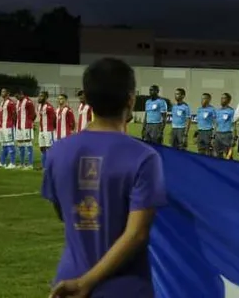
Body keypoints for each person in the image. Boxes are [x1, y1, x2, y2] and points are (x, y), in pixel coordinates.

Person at [43, 57, 166, 298]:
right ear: (130, 100)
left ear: (86, 99)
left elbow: (64, 213)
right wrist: (88, 282)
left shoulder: (58, 151)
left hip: (68, 279)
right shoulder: (145, 157)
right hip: (124, 287)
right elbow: (137, 234)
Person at [14, 89, 37, 170]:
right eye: (15, 96)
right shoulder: (17, 102)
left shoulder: (28, 102)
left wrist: (30, 122)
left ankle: (30, 164)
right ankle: (22, 163)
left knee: (28, 143)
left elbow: (34, 114)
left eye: (17, 96)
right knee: (20, 144)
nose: (16, 98)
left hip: (26, 126)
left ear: (21, 93)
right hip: (19, 126)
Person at [38, 90, 57, 168]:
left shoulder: (49, 107)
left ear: (46, 97)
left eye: (41, 96)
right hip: (41, 131)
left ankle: (51, 165)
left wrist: (52, 129)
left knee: (49, 148)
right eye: (39, 96)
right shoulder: (39, 106)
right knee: (42, 148)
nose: (39, 97)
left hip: (48, 130)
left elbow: (54, 118)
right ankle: (43, 165)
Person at [0, 88, 17, 168]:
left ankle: (12, 163)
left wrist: (13, 125)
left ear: (8, 93)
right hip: (2, 127)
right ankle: (3, 163)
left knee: (10, 144)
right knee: (4, 145)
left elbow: (14, 115)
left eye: (3, 91)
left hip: (9, 126)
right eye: (1, 91)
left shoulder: (11, 103)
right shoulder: (2, 102)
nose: (2, 93)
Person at [214, 94, 235, 159]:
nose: (222, 100)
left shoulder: (231, 111)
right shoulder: (217, 111)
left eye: (224, 98)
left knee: (228, 155)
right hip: (218, 135)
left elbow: (234, 125)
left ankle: (230, 168)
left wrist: (234, 138)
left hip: (227, 135)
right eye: (221, 98)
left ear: (229, 100)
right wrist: (213, 136)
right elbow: (216, 124)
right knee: (217, 155)